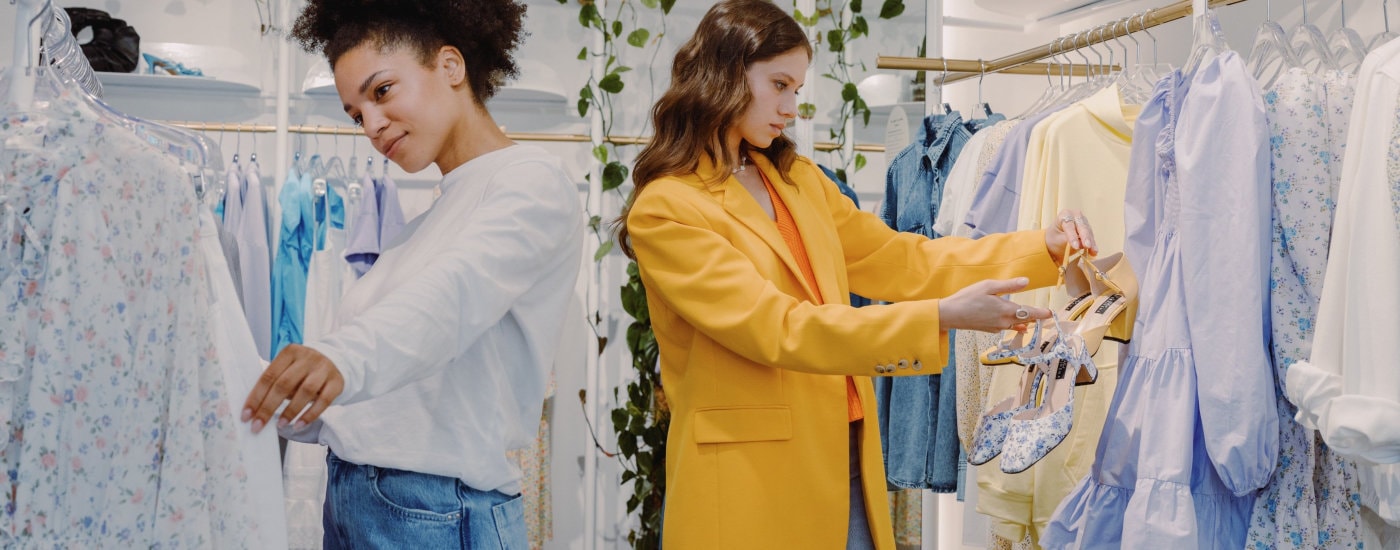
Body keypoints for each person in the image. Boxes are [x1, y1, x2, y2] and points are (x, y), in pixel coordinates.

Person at [615, 1, 1099, 548]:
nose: (791, 107)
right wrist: (941, 317)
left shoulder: (796, 179)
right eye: (779, 84)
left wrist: (1042, 248)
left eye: (796, 89)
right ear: (725, 73)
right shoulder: (666, 209)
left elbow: (901, 258)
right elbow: (777, 327)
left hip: (844, 451)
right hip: (748, 475)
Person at [239, 1, 584, 548]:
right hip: (361, 499)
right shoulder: (418, 230)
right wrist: (246, 382)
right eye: (356, 115)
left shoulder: (533, 184)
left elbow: (451, 299)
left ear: (450, 66)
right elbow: (384, 405)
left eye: (381, 92)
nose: (371, 126)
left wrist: (342, 359)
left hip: (437, 513)